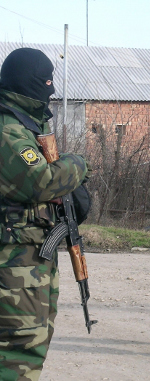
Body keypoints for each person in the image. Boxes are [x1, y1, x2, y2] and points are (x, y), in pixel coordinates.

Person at [0, 48, 89, 380]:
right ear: (31, 86)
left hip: (23, 260)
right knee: (18, 350)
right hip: (12, 261)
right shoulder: (8, 129)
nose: (50, 95)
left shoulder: (17, 123)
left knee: (30, 341)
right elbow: (40, 181)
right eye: (46, 85)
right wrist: (78, 164)